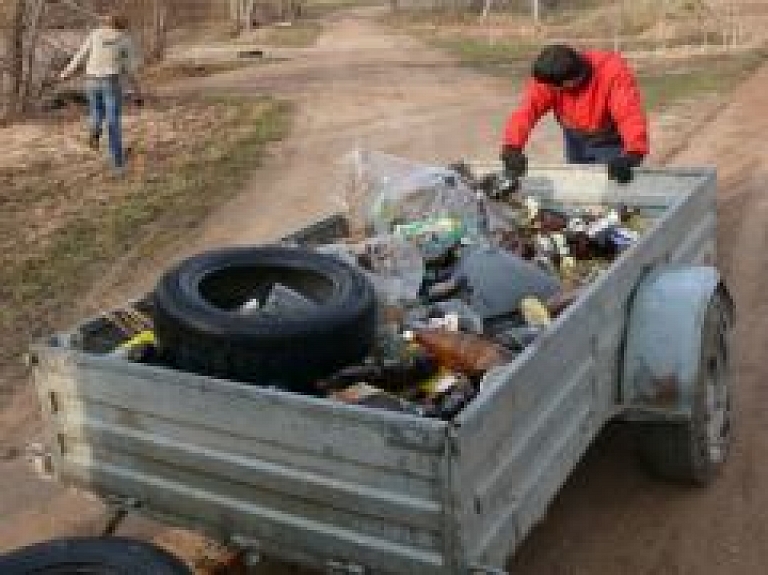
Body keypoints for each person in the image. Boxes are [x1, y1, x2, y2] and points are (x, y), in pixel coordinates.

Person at [501, 44, 649, 185]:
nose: (550, 89)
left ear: (571, 81)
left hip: (608, 141)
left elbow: (629, 114)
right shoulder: (550, 75)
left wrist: (633, 154)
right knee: (580, 182)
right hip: (574, 140)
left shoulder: (611, 72)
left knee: (614, 186)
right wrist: (512, 147)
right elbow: (527, 110)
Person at [59, 12, 141, 174]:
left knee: (96, 112)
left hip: (91, 81)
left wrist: (66, 72)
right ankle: (118, 165)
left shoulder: (95, 34)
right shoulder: (125, 40)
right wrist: (138, 93)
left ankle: (95, 132)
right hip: (111, 82)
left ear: (107, 23)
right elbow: (131, 71)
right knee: (113, 122)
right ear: (124, 25)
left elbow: (80, 55)